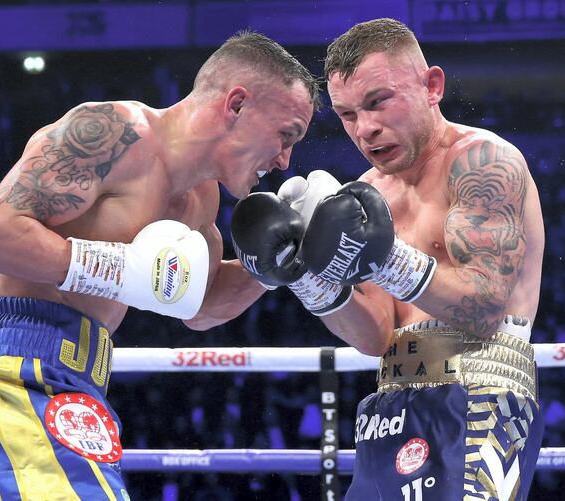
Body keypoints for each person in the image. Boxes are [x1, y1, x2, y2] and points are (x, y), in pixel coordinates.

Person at [0, 31, 319, 500]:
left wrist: (286, 259)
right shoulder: (113, 132)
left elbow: (200, 309)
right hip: (13, 372)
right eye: (286, 135)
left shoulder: (200, 199)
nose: (285, 159)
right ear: (236, 104)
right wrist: (115, 269)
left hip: (82, 386)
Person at [230, 18, 545, 500]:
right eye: (347, 114)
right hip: (388, 408)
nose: (366, 128)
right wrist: (307, 281)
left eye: (378, 102)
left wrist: (384, 258)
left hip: (480, 398)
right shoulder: (367, 193)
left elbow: (484, 309)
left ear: (432, 87)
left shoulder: (484, 162)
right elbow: (375, 336)